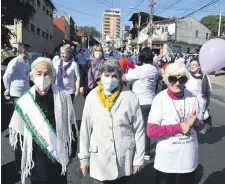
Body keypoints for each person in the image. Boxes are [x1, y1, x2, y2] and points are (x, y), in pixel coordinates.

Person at [8, 57, 77, 184]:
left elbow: (70, 124)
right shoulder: (24, 101)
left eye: (46, 74)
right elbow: (19, 135)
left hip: (58, 156)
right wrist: (20, 162)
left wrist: (72, 151)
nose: (43, 77)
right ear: (32, 76)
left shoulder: (63, 96)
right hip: (36, 158)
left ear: (52, 76)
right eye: (39, 74)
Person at [78, 59, 145, 184]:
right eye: (107, 75)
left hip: (123, 157)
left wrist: (138, 159)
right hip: (100, 158)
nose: (110, 79)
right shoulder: (92, 96)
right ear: (101, 76)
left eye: (114, 76)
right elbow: (85, 129)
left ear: (120, 77)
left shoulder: (130, 97)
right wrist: (84, 158)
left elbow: (139, 130)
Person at [147, 63, 204, 184]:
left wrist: (197, 122)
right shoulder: (160, 99)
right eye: (173, 79)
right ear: (167, 80)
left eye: (181, 79)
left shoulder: (193, 98)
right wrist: (179, 127)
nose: (177, 83)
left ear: (186, 80)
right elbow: (151, 131)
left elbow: (201, 126)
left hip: (188, 158)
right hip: (167, 159)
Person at [124, 47, 159, 160]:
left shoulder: (140, 70)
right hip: (151, 101)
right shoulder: (155, 68)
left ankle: (139, 151)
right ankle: (146, 152)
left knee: (136, 127)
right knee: (146, 127)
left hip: (140, 101)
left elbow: (125, 78)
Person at [3, 45, 31, 173]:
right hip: (16, 91)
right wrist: (7, 88)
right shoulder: (14, 61)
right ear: (22, 52)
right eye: (27, 52)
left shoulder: (26, 62)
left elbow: (28, 75)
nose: (28, 54)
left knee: (25, 114)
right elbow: (6, 76)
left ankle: (22, 129)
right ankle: (16, 131)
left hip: (26, 90)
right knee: (18, 114)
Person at [54, 44, 80, 160]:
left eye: (64, 53)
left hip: (69, 92)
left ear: (69, 53)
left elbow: (77, 77)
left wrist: (77, 88)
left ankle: (68, 131)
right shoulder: (57, 63)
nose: (62, 55)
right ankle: (61, 131)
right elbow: (52, 75)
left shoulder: (74, 64)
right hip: (58, 90)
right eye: (61, 53)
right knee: (59, 111)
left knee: (67, 112)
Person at [186, 58, 212, 134]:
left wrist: (208, 104)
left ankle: (206, 126)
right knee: (190, 117)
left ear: (199, 66)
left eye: (194, 65)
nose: (192, 66)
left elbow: (208, 92)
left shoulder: (205, 77)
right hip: (189, 100)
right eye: (191, 65)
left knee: (202, 115)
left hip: (201, 100)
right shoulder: (187, 75)